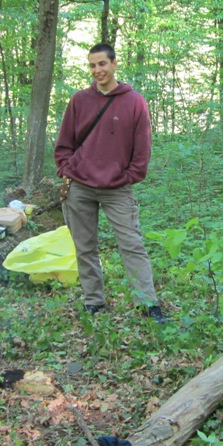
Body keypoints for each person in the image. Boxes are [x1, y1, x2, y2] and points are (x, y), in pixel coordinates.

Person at [54, 43, 165, 322]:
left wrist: (130, 175)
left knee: (131, 243)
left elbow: (142, 147)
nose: (97, 71)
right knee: (85, 245)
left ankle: (148, 302)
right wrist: (67, 168)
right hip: (79, 185)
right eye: (92, 65)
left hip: (117, 188)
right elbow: (64, 142)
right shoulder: (80, 100)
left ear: (114, 64)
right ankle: (94, 301)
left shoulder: (134, 101)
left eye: (102, 64)